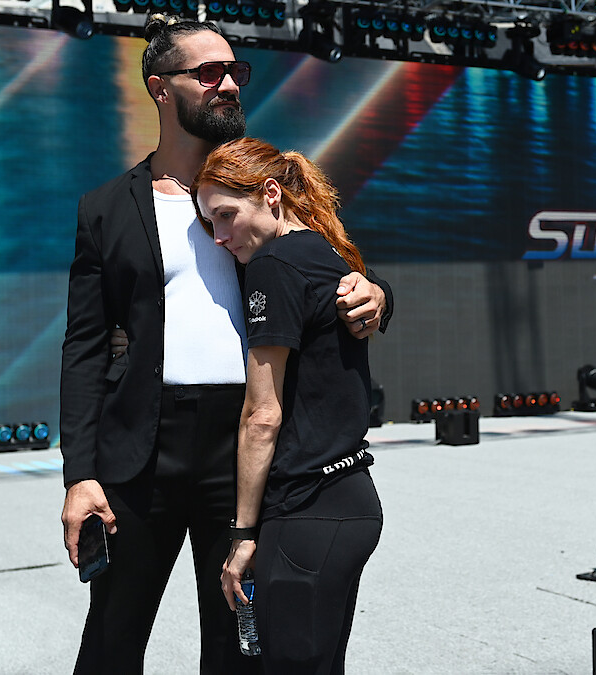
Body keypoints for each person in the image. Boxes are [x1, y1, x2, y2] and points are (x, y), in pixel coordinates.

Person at [59, 15, 393, 675]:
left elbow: (333, 261)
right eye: (207, 73)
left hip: (246, 452)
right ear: (160, 87)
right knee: (110, 643)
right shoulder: (104, 208)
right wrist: (79, 474)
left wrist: (378, 292)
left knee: (240, 646)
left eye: (234, 71)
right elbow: (84, 349)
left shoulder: (255, 190)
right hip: (140, 454)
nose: (229, 84)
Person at [194, 138, 384, 674]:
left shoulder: (273, 264)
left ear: (270, 194)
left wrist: (242, 535)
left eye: (227, 215)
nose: (221, 236)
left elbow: (262, 415)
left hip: (306, 510)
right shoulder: (328, 254)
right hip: (348, 502)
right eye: (210, 223)